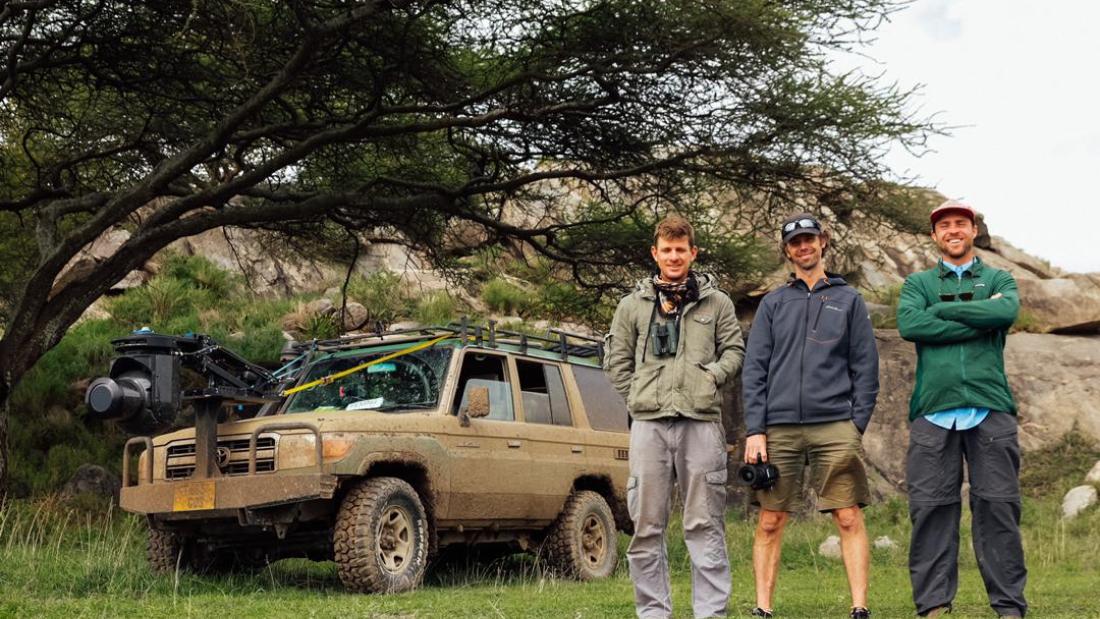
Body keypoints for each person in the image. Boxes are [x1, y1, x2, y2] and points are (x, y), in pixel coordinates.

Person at [605, 214, 745, 619]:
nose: (673, 256)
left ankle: (711, 613)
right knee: (647, 527)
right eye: (666, 250)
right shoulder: (632, 305)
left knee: (703, 524)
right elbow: (617, 361)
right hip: (648, 425)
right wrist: (638, 397)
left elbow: (734, 351)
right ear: (655, 253)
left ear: (692, 252)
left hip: (701, 423)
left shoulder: (716, 303)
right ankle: (653, 613)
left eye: (680, 249)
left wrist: (711, 377)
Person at [741, 212, 879, 619]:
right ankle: (763, 609)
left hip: (834, 424)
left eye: (809, 239)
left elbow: (865, 368)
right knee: (770, 520)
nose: (804, 247)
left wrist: (855, 426)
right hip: (779, 428)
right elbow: (755, 369)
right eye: (795, 242)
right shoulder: (772, 304)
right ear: (787, 251)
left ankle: (859, 607)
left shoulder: (848, 299)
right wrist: (755, 430)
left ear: (823, 242)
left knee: (848, 514)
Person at [897, 200, 1027, 619]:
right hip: (933, 411)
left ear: (973, 231)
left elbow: (1005, 310)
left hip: (990, 407)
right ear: (935, 236)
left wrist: (943, 310)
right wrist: (978, 317)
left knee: (998, 508)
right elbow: (911, 325)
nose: (953, 230)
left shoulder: (999, 278)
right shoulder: (917, 283)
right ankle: (934, 606)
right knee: (932, 509)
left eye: (961, 224)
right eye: (944, 226)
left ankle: (1009, 607)